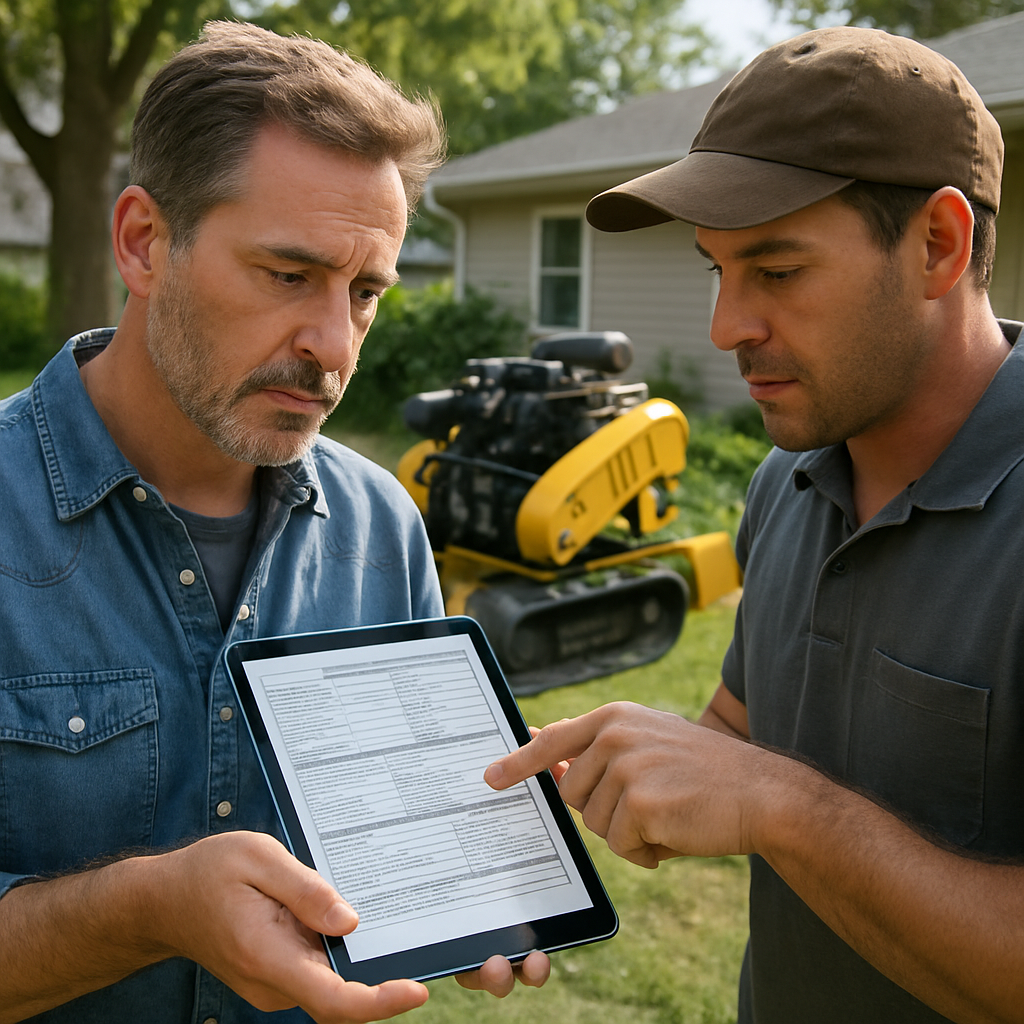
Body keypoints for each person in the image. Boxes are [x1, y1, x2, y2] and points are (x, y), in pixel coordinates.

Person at [0, 21, 547, 1023]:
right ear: (143, 242)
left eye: (366, 291)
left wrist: (468, 866)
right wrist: (150, 908)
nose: (333, 347)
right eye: (287, 275)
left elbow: (398, 843)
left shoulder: (382, 525)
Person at [485, 26, 1024, 1024]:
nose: (726, 324)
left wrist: (781, 807)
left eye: (775, 270)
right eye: (715, 272)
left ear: (938, 246)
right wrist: (602, 777)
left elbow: (771, 784)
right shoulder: (787, 479)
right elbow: (746, 723)